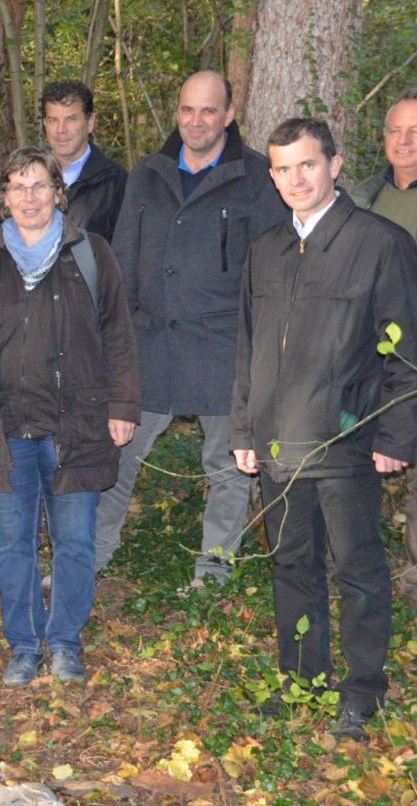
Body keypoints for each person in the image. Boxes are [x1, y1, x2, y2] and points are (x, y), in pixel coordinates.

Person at [231, 117, 417, 740]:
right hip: (279, 445)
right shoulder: (266, 249)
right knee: (293, 567)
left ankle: (361, 691)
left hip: (348, 441)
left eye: (306, 164)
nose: (295, 179)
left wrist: (395, 437)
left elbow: (407, 350)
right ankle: (303, 681)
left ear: (335, 165)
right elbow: (248, 347)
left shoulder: (380, 243)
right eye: (282, 168)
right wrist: (244, 430)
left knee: (358, 570)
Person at [0, 148, 139, 685]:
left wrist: (123, 405)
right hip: (5, 429)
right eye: (17, 187)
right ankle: (24, 646)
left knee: (74, 540)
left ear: (58, 192)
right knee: (12, 542)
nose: (29, 197)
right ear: (3, 197)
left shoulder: (90, 253)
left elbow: (119, 333)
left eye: (39, 185)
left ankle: (66, 642)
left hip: (76, 426)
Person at [95, 70, 285, 587]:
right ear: (175, 113)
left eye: (208, 111)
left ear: (228, 114)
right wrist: (119, 343)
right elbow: (123, 263)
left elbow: (268, 270)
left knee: (226, 467)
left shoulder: (255, 177)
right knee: (117, 456)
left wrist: (260, 346)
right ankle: (91, 554)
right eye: (186, 110)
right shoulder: (148, 173)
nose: (195, 121)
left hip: (222, 348)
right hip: (151, 345)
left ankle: (214, 570)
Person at [348, 87, 417, 603]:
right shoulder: (364, 195)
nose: (404, 140)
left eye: (415, 131)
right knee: (357, 462)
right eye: (395, 129)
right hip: (370, 358)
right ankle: (354, 571)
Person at [41, 80, 128, 240]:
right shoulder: (25, 177)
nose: (61, 130)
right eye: (53, 120)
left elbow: (124, 250)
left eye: (70, 120)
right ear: (45, 124)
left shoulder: (115, 181)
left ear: (90, 122)